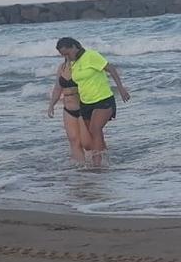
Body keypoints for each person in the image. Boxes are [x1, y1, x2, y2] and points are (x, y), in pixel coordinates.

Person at [55, 37, 129, 167]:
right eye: (63, 55)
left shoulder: (91, 55)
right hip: (86, 103)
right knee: (91, 138)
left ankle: (97, 164)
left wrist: (121, 89)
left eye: (67, 53)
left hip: (103, 99)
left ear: (74, 47)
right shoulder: (74, 63)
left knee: (95, 129)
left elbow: (111, 69)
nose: (66, 57)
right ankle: (106, 159)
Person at [46, 53, 87, 165]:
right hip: (68, 108)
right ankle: (81, 167)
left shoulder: (81, 66)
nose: (67, 55)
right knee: (73, 139)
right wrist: (51, 105)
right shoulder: (62, 67)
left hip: (83, 107)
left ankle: (98, 161)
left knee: (86, 141)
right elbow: (57, 88)